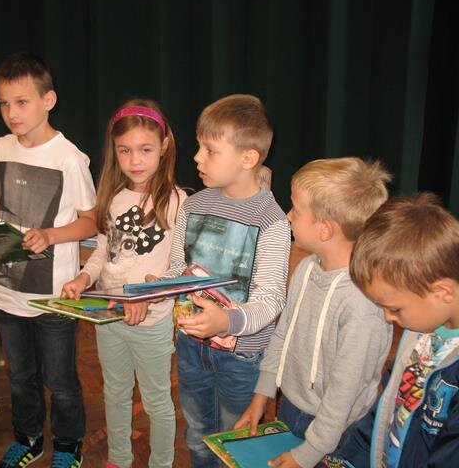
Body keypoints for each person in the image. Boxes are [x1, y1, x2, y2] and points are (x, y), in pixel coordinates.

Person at [0, 52, 97, 468]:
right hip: (7, 291)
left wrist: (51, 236)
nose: (12, 113)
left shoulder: (69, 158)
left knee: (60, 379)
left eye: (22, 102)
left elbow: (91, 222)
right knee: (20, 376)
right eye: (4, 103)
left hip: (53, 296)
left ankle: (68, 444)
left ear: (48, 100)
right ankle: (28, 438)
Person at [229, 158, 393, 468]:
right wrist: (262, 395)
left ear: (326, 229)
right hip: (292, 408)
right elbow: (283, 335)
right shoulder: (306, 268)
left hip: (339, 430)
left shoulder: (361, 304)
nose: (288, 216)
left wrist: (308, 453)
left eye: (296, 209)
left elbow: (344, 394)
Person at [162, 94, 291, 467]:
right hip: (191, 346)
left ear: (248, 158)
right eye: (199, 147)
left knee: (235, 442)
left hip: (242, 358)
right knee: (198, 434)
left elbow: (270, 300)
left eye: (210, 150)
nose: (197, 158)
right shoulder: (193, 205)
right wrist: (157, 287)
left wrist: (227, 321)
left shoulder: (272, 221)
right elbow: (178, 268)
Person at [62, 99, 186, 468]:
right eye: (124, 150)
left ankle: (161, 463)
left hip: (151, 322)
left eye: (145, 149)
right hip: (109, 316)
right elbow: (103, 253)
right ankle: (118, 457)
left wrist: (147, 296)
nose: (135, 160)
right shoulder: (113, 198)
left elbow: (178, 268)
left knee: (156, 400)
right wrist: (84, 277)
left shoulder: (177, 201)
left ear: (164, 147)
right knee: (114, 392)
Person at [321, 193, 459, 468]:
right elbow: (385, 412)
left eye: (395, 308)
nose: (387, 317)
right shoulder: (420, 330)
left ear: (443, 292)